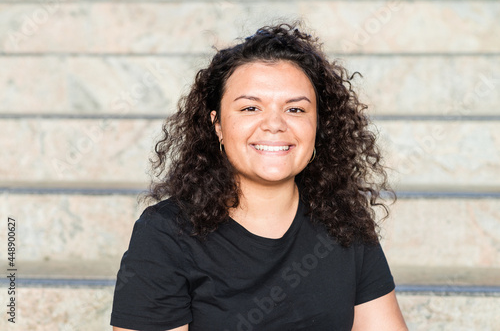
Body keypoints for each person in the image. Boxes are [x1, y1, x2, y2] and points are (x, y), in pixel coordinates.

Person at [111, 23, 408, 331]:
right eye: (250, 108)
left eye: (295, 110)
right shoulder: (166, 233)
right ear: (218, 126)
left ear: (318, 126)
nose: (275, 124)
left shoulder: (344, 219)